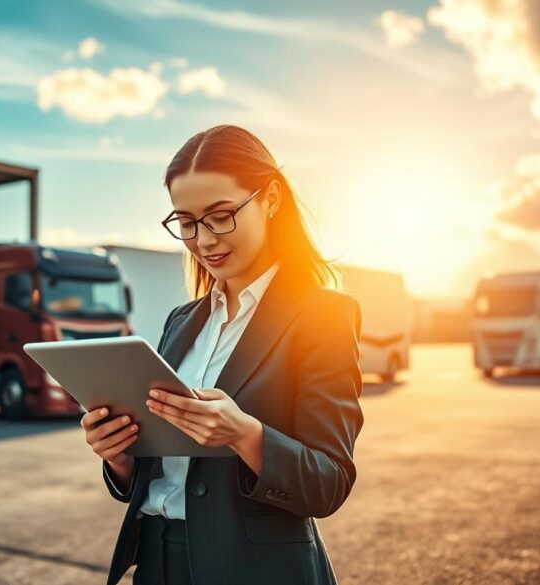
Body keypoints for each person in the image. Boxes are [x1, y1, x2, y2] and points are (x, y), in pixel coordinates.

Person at [80, 124, 364, 585]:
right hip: (157, 564)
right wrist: (119, 456)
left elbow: (328, 482)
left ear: (270, 198)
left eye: (221, 215)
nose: (204, 239)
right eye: (187, 222)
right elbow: (160, 470)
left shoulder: (323, 315)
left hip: (257, 572)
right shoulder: (182, 320)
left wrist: (245, 434)